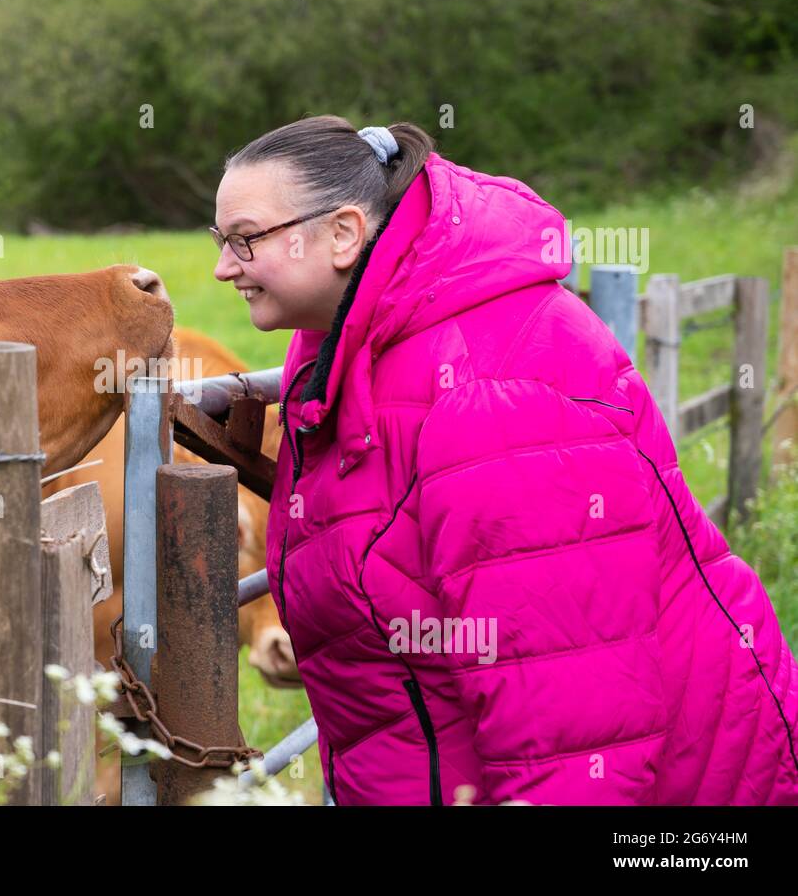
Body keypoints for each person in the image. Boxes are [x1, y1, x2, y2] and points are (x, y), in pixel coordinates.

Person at [211, 115, 798, 805]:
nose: (224, 267)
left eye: (246, 240)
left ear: (343, 233)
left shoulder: (496, 395)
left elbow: (572, 727)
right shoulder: (356, 343)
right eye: (221, 241)